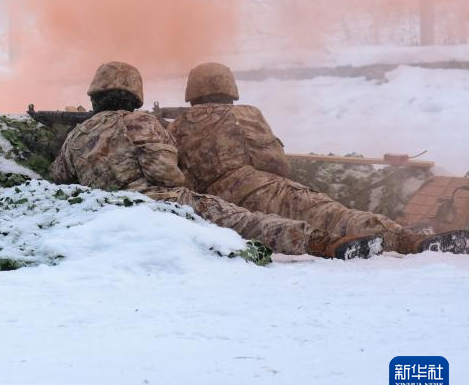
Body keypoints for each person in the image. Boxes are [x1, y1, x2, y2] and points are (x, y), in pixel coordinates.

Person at [49, 61, 375, 259]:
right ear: (136, 96)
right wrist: (180, 188)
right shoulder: (144, 123)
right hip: (170, 201)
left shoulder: (76, 136)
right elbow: (166, 171)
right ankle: (326, 244)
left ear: (94, 96)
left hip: (114, 214)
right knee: (248, 224)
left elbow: (59, 180)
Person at [168, 62, 469, 255]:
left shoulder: (177, 126)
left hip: (220, 203)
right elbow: (276, 163)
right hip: (263, 187)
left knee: (291, 229)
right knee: (332, 214)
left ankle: (339, 246)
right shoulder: (244, 115)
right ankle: (407, 240)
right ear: (229, 88)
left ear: (192, 91)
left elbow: (177, 173)